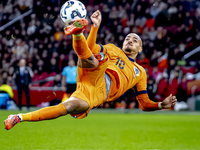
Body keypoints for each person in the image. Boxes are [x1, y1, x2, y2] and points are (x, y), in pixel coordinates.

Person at [4, 10, 177, 130]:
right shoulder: (113, 49)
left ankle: (18, 117)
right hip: (98, 73)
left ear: (140, 48)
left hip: (96, 94)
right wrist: (95, 27)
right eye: (127, 38)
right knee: (96, 58)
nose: (129, 40)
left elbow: (144, 103)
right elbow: (92, 48)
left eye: (135, 40)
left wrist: (160, 105)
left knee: (68, 107)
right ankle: (78, 33)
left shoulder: (141, 72)